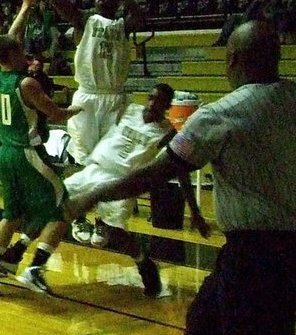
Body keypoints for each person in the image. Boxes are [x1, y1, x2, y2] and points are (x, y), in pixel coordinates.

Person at [66, 22, 296, 335]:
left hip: (260, 256)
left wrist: (93, 193)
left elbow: (156, 173)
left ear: (231, 59)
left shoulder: (219, 116)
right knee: (206, 324)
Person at [0, 0, 82, 296]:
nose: (26, 48)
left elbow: (11, 37)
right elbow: (57, 115)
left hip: (5, 153)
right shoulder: (27, 84)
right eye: (21, 47)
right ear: (16, 53)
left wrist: (24, 7)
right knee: (64, 206)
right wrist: (81, 106)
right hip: (28, 153)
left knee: (12, 214)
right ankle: (35, 269)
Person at [64, 83, 208, 295]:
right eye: (150, 97)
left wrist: (195, 211)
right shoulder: (128, 110)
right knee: (56, 200)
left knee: (116, 233)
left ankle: (144, 263)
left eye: (158, 100)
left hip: (124, 182)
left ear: (167, 106)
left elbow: (180, 170)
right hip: (97, 167)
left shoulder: (167, 132)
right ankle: (25, 253)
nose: (152, 102)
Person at [50, 0, 145, 243]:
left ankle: (104, 222)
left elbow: (141, 16)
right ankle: (78, 217)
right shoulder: (86, 22)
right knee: (82, 159)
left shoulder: (122, 25)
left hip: (114, 97)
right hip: (88, 97)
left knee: (112, 162)